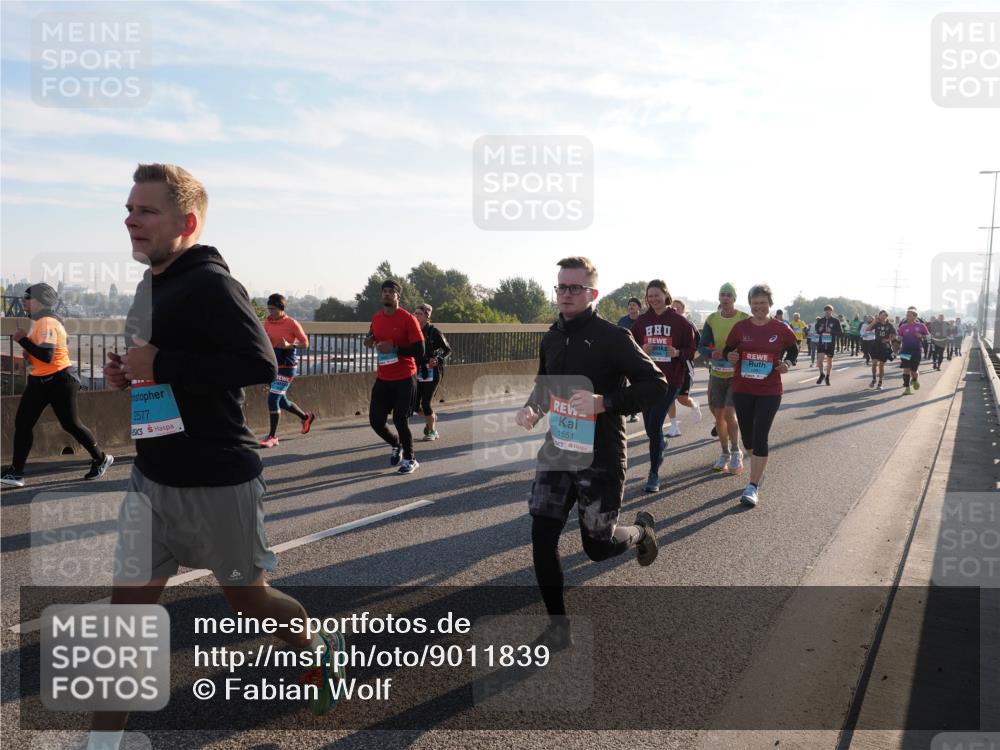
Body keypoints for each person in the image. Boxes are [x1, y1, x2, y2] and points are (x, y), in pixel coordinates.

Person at [90, 164, 344, 750]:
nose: (131, 219)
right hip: (151, 477)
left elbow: (258, 363)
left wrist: (165, 365)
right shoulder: (148, 286)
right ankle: (103, 743)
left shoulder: (212, 284)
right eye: (129, 209)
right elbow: (155, 361)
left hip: (216, 480)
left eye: (146, 211)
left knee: (248, 600)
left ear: (187, 222)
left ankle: (312, 646)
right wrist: (128, 375)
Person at [515, 256, 666, 648]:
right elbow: (545, 384)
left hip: (601, 455)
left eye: (574, 288)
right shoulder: (551, 337)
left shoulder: (612, 337)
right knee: (541, 534)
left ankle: (640, 531)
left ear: (592, 293)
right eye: (561, 287)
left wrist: (604, 402)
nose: (566, 294)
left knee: (597, 548)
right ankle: (558, 626)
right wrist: (534, 408)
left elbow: (655, 384)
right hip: (558, 450)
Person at [1, 283, 113, 488]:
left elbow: (48, 355)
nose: (23, 301)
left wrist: (23, 340)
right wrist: (29, 354)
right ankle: (16, 472)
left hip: (59, 380)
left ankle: (101, 458)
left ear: (41, 301)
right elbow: (42, 355)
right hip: (41, 380)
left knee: (71, 424)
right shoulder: (41, 322)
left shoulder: (47, 322)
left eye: (28, 297)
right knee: (23, 423)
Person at [723, 284, 799, 507]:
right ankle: (759, 470)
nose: (759, 307)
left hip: (770, 390)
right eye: (755, 303)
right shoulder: (740, 327)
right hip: (743, 388)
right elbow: (728, 349)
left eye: (763, 303)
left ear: (770, 304)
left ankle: (753, 486)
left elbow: (794, 350)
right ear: (750, 304)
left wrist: (787, 363)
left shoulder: (781, 328)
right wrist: (732, 356)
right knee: (748, 438)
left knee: (760, 435)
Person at [631, 279, 697, 492]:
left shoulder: (680, 322)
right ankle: (660, 444)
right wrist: (642, 348)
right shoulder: (642, 322)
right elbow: (630, 347)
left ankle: (653, 474)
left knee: (655, 425)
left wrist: (678, 353)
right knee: (652, 429)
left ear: (666, 295)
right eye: (649, 296)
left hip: (671, 381)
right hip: (646, 381)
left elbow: (692, 349)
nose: (653, 299)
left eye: (656, 295)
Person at [364, 280, 425, 474]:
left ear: (398, 296)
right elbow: (372, 334)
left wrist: (396, 349)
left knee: (400, 419)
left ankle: (410, 459)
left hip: (405, 377)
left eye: (391, 292)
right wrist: (369, 340)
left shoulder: (408, 319)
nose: (387, 295)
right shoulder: (376, 317)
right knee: (376, 421)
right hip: (383, 377)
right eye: (384, 292)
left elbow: (420, 350)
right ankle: (395, 443)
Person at [698, 283, 748, 474]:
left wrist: (739, 355)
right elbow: (702, 345)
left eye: (729, 295)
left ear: (734, 299)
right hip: (717, 374)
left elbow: (752, 341)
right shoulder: (712, 319)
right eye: (722, 295)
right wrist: (712, 354)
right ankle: (725, 453)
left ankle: (736, 451)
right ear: (719, 299)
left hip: (737, 375)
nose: (725, 298)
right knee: (718, 416)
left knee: (729, 412)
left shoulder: (744, 319)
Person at [259, 293, 315, 448]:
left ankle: (272, 436)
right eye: (269, 309)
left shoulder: (291, 323)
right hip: (274, 366)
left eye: (274, 309)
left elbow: (305, 343)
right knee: (281, 401)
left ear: (282, 308)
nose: (271, 313)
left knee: (272, 399)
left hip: (288, 368)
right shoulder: (267, 323)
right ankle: (306, 417)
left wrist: (290, 345)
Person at [413, 303, 451, 441]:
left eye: (420, 314)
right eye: (415, 313)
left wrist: (437, 359)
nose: (416, 316)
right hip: (418, 370)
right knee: (414, 405)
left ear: (427, 316)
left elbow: (448, 350)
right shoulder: (413, 330)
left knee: (426, 403)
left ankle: (431, 431)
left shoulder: (434, 332)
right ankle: (432, 418)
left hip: (432, 372)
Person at [665, 298, 702, 437]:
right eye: (673, 307)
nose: (675, 310)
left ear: (684, 310)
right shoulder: (667, 324)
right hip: (669, 366)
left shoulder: (689, 324)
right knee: (668, 397)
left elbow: (699, 345)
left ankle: (694, 405)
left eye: (678, 308)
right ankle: (674, 426)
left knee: (682, 398)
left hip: (685, 366)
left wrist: (689, 356)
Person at [617, 297, 642, 423]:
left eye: (634, 305)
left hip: (639, 356)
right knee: (621, 383)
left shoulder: (643, 321)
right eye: (629, 305)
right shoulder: (622, 320)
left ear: (639, 308)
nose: (631, 307)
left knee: (635, 385)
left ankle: (633, 412)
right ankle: (622, 410)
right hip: (623, 355)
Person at [897, 307, 928, 395]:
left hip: (916, 350)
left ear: (914, 316)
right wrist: (898, 338)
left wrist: (921, 336)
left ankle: (914, 379)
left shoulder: (921, 326)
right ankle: (907, 389)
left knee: (914, 371)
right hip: (905, 350)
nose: (907, 317)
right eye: (906, 315)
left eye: (909, 315)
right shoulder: (903, 326)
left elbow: (928, 337)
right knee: (906, 369)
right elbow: (898, 336)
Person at [868, 310, 896, 390]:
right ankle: (874, 379)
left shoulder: (890, 325)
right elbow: (867, 329)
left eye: (885, 315)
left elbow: (894, 336)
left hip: (885, 347)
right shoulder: (876, 323)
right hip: (876, 345)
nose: (883, 317)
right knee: (874, 363)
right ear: (879, 316)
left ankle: (880, 382)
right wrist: (874, 321)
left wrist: (887, 340)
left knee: (881, 365)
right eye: (882, 315)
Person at [814, 305, 841, 385]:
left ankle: (828, 377)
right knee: (819, 361)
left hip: (830, 344)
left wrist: (831, 331)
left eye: (829, 310)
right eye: (826, 310)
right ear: (824, 311)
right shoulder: (820, 320)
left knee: (829, 362)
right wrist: (819, 330)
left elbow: (840, 333)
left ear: (831, 311)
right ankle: (822, 374)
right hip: (822, 343)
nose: (827, 311)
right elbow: (817, 330)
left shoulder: (835, 321)